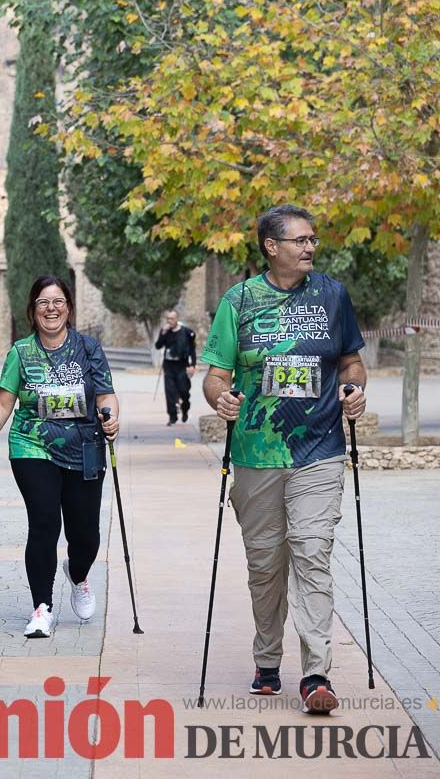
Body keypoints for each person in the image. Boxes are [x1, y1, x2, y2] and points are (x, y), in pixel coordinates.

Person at [201, 204, 367, 715]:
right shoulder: (240, 301)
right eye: (300, 240)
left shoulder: (333, 296)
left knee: (313, 552)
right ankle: (267, 658)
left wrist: (355, 388)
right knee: (266, 566)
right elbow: (215, 375)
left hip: (318, 449)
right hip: (256, 453)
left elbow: (352, 362)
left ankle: (316, 673)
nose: (310, 247)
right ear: (271, 246)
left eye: (313, 239)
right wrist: (220, 398)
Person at [0, 275, 119, 638]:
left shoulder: (89, 349)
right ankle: (42, 607)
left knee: (85, 534)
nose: (51, 308)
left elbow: (105, 395)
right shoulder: (21, 352)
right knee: (43, 523)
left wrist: (111, 415)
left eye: (57, 301)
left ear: (69, 308)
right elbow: (4, 400)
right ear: (33, 309)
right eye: (43, 302)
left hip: (85, 446)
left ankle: (78, 573)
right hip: (32, 445)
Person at [155, 308, 197, 425]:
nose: (169, 321)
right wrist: (163, 333)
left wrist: (193, 364)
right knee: (170, 392)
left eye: (172, 318)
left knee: (184, 391)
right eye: (167, 318)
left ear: (177, 319)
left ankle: (185, 409)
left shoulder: (187, 332)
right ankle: (172, 416)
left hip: (182, 365)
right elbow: (158, 346)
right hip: (168, 365)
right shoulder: (165, 332)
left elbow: (192, 350)